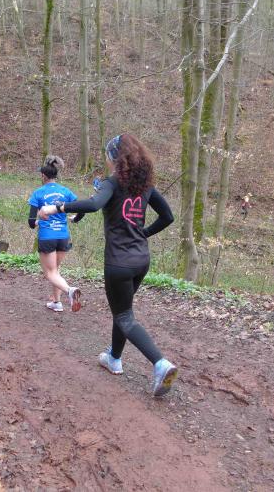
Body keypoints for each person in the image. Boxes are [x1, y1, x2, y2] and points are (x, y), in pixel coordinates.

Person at [39, 134, 177, 397]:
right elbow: (167, 216)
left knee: (124, 316)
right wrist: (143, 234)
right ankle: (114, 358)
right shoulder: (145, 185)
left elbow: (93, 204)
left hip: (119, 263)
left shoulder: (112, 183)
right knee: (123, 311)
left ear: (115, 158)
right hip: (141, 260)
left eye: (106, 155)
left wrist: (55, 208)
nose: (105, 159)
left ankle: (160, 363)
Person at [28, 156, 84, 313]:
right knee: (56, 270)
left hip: (47, 237)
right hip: (63, 237)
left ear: (43, 176)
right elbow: (82, 208)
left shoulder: (38, 193)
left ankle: (70, 291)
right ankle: (57, 302)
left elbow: (31, 222)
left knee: (50, 273)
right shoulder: (66, 191)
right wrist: (75, 219)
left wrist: (38, 222)